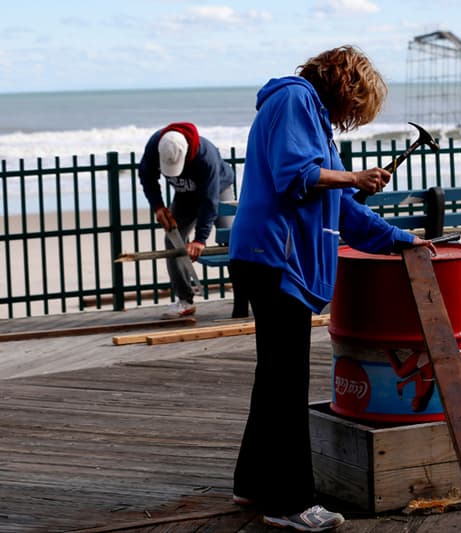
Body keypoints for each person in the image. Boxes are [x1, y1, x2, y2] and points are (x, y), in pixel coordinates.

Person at [228, 46, 435, 531]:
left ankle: (253, 484)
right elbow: (292, 176)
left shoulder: (314, 123)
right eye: (355, 106)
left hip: (275, 257)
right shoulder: (294, 99)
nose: (351, 119)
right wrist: (353, 175)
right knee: (286, 381)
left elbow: (343, 208)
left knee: (274, 376)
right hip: (275, 256)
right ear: (346, 85)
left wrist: (399, 238)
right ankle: (290, 503)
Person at [137, 122, 236, 319]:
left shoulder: (205, 156)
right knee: (172, 241)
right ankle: (185, 300)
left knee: (232, 240)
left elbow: (210, 202)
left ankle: (244, 295)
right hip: (185, 195)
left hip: (218, 189)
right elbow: (146, 176)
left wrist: (200, 239)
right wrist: (158, 206)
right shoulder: (155, 145)